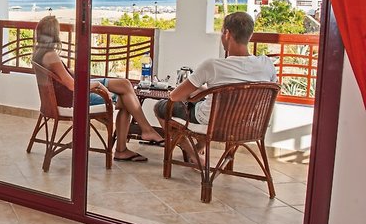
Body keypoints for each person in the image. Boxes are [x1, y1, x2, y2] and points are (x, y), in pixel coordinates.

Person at [32, 16, 162, 162]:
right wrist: (97, 85)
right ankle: (128, 145)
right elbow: (72, 85)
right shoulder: (51, 55)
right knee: (126, 99)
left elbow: (63, 75)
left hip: (68, 95)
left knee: (125, 85)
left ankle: (143, 132)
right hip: (74, 98)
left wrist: (81, 74)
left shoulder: (39, 54)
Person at [153, 12, 277, 160]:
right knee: (204, 101)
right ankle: (199, 147)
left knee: (161, 107)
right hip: (250, 123)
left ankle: (193, 155)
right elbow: (265, 94)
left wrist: (193, 93)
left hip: (214, 122)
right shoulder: (266, 63)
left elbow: (175, 96)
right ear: (250, 35)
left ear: (227, 34)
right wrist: (206, 91)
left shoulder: (212, 65)